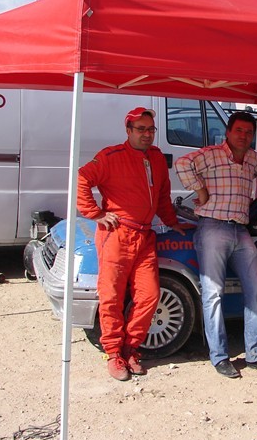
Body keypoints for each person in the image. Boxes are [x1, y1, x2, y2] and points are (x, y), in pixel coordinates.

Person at [77, 107, 186, 381]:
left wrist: (172, 221)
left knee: (149, 296)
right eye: (141, 129)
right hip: (117, 235)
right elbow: (81, 178)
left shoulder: (158, 158)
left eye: (151, 129)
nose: (147, 134)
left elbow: (162, 195)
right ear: (128, 131)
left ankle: (130, 349)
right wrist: (96, 214)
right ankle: (113, 354)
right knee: (111, 297)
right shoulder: (110, 157)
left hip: (145, 236)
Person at [175, 111, 257, 378]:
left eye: (248, 132)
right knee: (213, 294)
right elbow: (182, 164)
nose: (243, 136)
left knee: (256, 290)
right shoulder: (209, 154)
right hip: (212, 226)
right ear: (228, 132)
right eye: (239, 131)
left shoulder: (253, 158)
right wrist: (200, 191)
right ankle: (219, 356)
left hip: (240, 229)